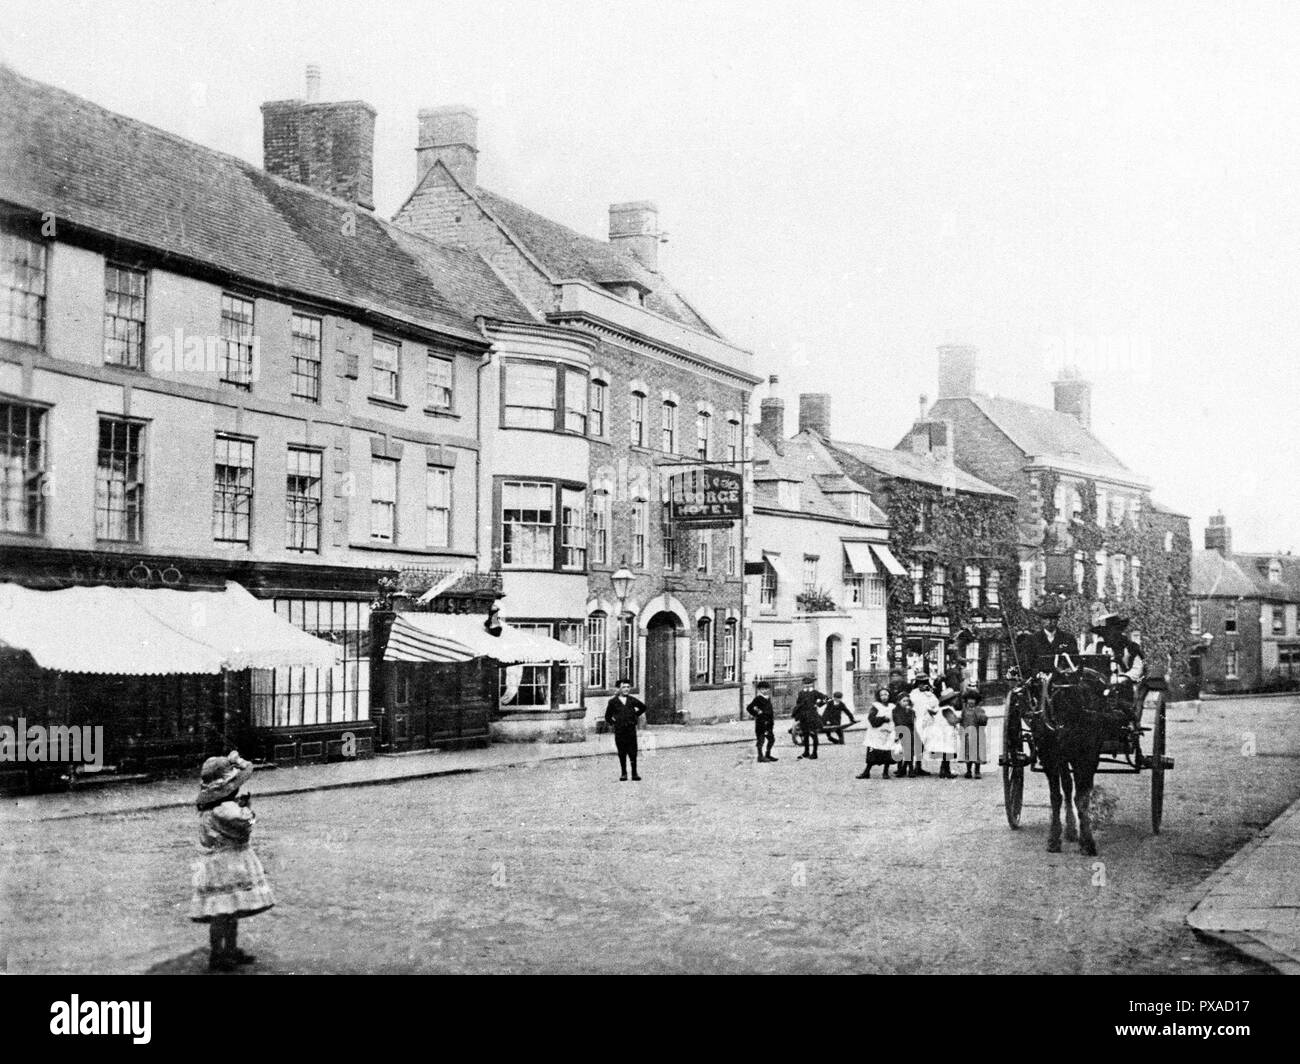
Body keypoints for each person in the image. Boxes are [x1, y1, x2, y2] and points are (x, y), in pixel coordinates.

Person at [190, 751, 275, 972]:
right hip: (230, 863)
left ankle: (224, 951)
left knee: (225, 909)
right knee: (226, 911)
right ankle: (221, 953)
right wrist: (247, 808)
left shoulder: (211, 808)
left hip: (216, 864)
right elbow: (246, 825)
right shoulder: (227, 810)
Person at [1087, 613, 1147, 725]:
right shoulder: (1094, 648)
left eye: (1112, 631)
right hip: (1099, 687)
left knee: (1121, 704)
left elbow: (1138, 669)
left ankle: (1128, 723)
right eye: (1106, 632)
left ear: (1118, 630)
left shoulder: (1130, 648)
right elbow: (1085, 664)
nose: (1109, 635)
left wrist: (1123, 678)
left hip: (1122, 687)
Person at [604, 679, 647, 781]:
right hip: (620, 731)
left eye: (628, 687)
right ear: (618, 689)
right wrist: (615, 723)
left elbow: (643, 707)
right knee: (622, 751)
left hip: (631, 729)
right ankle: (624, 773)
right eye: (624, 687)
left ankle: (634, 773)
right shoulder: (613, 702)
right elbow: (607, 717)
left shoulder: (632, 700)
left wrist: (635, 715)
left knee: (633, 751)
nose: (626, 689)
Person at [857, 687, 896, 779]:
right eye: (882, 695)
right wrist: (883, 719)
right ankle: (866, 772)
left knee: (887, 751)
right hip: (876, 733)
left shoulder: (892, 706)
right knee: (873, 752)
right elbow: (871, 718)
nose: (884, 697)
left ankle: (885, 772)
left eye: (886, 694)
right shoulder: (876, 706)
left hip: (888, 732)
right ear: (879, 696)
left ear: (889, 695)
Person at [908, 678, 939, 776]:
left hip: (927, 722)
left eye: (924, 684)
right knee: (916, 744)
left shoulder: (930, 695)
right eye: (920, 684)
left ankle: (919, 766)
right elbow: (909, 705)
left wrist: (933, 711)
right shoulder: (913, 694)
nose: (922, 686)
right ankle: (909, 767)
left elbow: (936, 706)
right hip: (916, 720)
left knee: (924, 744)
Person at [792, 679, 828, 760]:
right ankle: (806, 752)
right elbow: (798, 704)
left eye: (809, 684)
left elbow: (828, 699)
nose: (807, 685)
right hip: (803, 716)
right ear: (803, 684)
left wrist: (818, 704)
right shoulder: (801, 693)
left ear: (812, 684)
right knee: (805, 734)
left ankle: (814, 753)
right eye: (805, 684)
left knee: (813, 734)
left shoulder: (815, 692)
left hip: (812, 716)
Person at [747, 680, 778, 763]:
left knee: (771, 739)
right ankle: (760, 757)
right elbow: (749, 708)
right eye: (762, 689)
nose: (765, 691)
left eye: (766, 689)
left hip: (769, 723)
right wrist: (757, 713)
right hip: (761, 723)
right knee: (761, 740)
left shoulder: (768, 698)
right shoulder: (757, 699)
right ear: (759, 690)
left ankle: (768, 754)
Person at [892, 692, 920, 777]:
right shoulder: (895, 711)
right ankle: (900, 769)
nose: (906, 703)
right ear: (899, 701)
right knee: (900, 751)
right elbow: (898, 721)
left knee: (910, 752)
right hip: (900, 732)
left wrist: (910, 712)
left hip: (910, 733)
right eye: (904, 701)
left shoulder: (911, 711)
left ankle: (910, 769)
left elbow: (913, 722)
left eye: (907, 701)